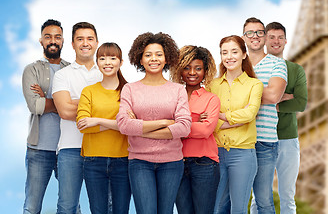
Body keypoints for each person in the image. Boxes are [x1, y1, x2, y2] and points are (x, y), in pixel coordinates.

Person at [116, 32, 192, 214]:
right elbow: (124, 125)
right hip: (140, 161)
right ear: (140, 59)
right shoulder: (130, 89)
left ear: (166, 58)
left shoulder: (178, 90)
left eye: (159, 54)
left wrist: (140, 129)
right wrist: (165, 122)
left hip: (172, 162)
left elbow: (184, 126)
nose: (154, 59)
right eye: (148, 55)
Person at [207, 35, 263, 214]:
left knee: (238, 209)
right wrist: (235, 119)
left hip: (243, 154)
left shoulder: (255, 84)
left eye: (234, 51)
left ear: (244, 54)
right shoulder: (211, 85)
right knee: (216, 209)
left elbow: (250, 113)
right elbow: (205, 118)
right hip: (215, 153)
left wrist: (220, 116)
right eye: (224, 52)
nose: (229, 56)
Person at [53, 22, 102, 214]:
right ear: (72, 44)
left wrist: (77, 101)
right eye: (80, 39)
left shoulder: (107, 73)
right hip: (70, 149)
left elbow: (116, 111)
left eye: (90, 39)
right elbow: (64, 111)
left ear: (97, 42)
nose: (85, 43)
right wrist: (98, 106)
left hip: (101, 148)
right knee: (67, 207)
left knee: (103, 208)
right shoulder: (62, 75)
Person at [76, 42, 131, 214]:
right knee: (98, 211)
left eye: (112, 58)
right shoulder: (89, 91)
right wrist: (118, 124)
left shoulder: (129, 91)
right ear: (97, 62)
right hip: (93, 160)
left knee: (120, 211)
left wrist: (98, 120)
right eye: (102, 58)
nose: (107, 62)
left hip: (123, 159)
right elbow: (83, 125)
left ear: (121, 62)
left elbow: (131, 127)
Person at [22, 19, 69, 214]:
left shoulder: (72, 70)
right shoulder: (31, 70)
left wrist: (46, 98)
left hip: (67, 150)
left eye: (57, 37)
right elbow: (36, 106)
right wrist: (63, 104)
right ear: (41, 40)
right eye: (48, 36)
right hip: (38, 150)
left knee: (71, 207)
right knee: (32, 208)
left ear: (63, 41)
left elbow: (81, 106)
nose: (53, 40)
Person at [242, 17, 287, 214]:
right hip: (238, 139)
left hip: (265, 140)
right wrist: (262, 90)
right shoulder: (236, 63)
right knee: (232, 198)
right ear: (244, 37)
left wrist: (243, 92)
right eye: (250, 33)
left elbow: (274, 95)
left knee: (264, 200)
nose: (255, 36)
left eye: (259, 32)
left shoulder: (277, 64)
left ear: (265, 36)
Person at [171, 45, 221, 214]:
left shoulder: (211, 99)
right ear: (179, 70)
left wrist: (178, 125)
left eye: (198, 68)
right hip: (176, 163)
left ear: (205, 71)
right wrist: (194, 121)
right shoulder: (172, 97)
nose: (192, 72)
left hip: (204, 163)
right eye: (187, 67)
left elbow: (206, 130)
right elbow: (164, 129)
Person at [264, 22, 307, 214]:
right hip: (261, 138)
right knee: (260, 196)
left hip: (288, 139)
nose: (276, 41)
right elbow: (249, 101)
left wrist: (271, 99)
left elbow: (300, 103)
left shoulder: (296, 70)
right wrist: (284, 96)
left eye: (280, 37)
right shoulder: (255, 68)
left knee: (288, 196)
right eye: (271, 37)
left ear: (286, 41)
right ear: (264, 40)